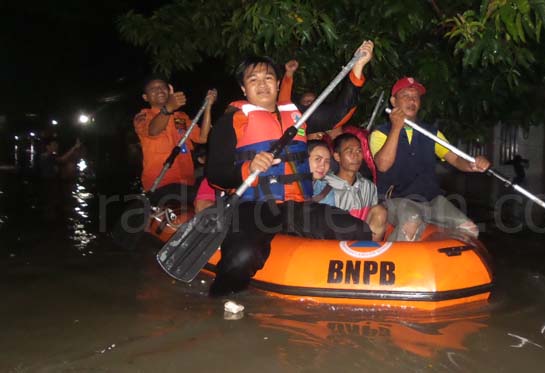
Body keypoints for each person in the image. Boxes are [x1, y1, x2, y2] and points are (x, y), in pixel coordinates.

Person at [205, 41, 375, 296]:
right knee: (241, 259)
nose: (262, 84)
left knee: (358, 230)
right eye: (253, 79)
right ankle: (219, 301)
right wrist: (247, 168)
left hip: (296, 206)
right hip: (254, 206)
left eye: (268, 77)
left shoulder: (298, 114)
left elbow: (340, 113)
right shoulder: (231, 121)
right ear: (243, 88)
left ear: (277, 83)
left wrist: (358, 69)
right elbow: (215, 175)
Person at [369, 77, 490, 241]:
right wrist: (397, 127)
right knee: (412, 221)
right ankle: (393, 264)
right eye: (406, 95)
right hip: (397, 200)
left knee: (469, 229)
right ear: (393, 101)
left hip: (432, 200)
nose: (412, 100)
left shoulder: (432, 133)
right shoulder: (380, 133)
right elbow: (383, 165)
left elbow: (455, 159)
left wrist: (472, 165)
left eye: (416, 96)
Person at [133, 76, 217, 206]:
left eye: (162, 86)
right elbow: (153, 131)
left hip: (187, 182)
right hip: (160, 184)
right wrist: (168, 108)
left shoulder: (181, 117)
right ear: (146, 97)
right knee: (204, 199)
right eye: (153, 89)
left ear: (169, 90)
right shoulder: (143, 117)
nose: (159, 90)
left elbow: (202, 137)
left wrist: (208, 107)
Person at [312, 134, 387, 241]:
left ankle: (369, 253)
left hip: (361, 244)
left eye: (359, 151)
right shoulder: (324, 185)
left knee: (380, 212)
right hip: (332, 243)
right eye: (349, 151)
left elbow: (375, 221)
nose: (355, 156)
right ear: (337, 156)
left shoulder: (369, 187)